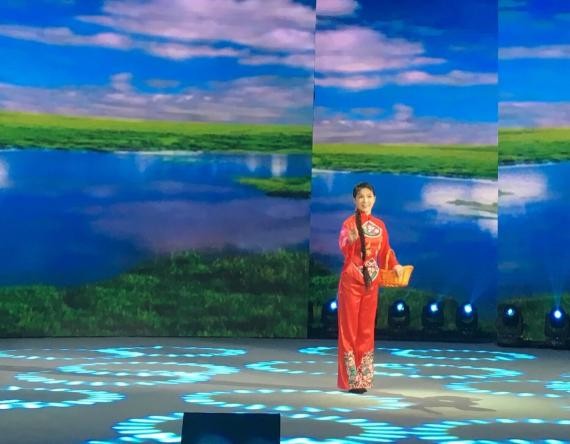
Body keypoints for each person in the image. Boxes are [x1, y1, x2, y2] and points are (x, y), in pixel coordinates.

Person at [337, 182, 403, 393]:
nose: (365, 200)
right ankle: (350, 380)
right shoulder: (349, 223)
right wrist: (350, 240)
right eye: (360, 197)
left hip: (371, 282)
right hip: (351, 281)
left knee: (366, 331)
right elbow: (343, 246)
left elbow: (386, 251)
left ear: (374, 199)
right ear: (355, 200)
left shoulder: (379, 225)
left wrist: (395, 265)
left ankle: (363, 379)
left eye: (368, 196)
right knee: (349, 331)